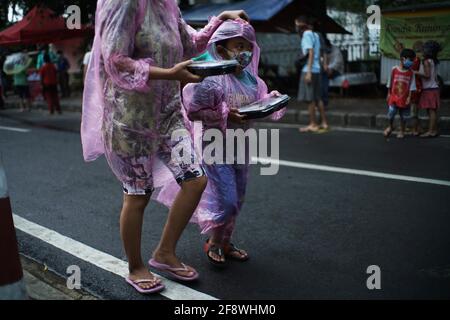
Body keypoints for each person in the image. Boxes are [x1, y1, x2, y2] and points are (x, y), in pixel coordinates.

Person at [81, 0, 249, 294]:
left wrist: (220, 18)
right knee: (137, 195)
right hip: (129, 120)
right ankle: (135, 266)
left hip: (168, 116)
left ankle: (164, 253)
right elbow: (115, 60)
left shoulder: (169, 5)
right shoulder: (125, 3)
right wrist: (171, 74)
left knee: (195, 180)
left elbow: (191, 44)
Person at [157, 19, 285, 266]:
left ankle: (225, 241)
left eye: (248, 46)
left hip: (241, 147)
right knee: (226, 201)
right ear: (222, 47)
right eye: (238, 45)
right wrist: (226, 113)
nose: (244, 52)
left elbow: (262, 105)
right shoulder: (211, 79)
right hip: (213, 148)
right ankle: (214, 242)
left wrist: (272, 100)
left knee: (237, 200)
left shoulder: (253, 81)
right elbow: (193, 110)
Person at [296, 16, 328, 133]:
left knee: (310, 99)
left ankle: (313, 124)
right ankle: (324, 122)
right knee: (317, 98)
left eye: (297, 24)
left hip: (308, 69)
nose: (296, 26)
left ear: (301, 24)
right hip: (317, 69)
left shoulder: (307, 34)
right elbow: (318, 52)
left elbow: (311, 52)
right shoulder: (315, 35)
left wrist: (308, 72)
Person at [384, 49, 417, 139]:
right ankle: (390, 126)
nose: (412, 63)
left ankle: (402, 130)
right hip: (394, 97)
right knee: (391, 113)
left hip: (405, 98)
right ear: (403, 59)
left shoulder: (411, 73)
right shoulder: (394, 69)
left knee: (404, 116)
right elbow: (389, 82)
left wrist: (409, 97)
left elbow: (412, 85)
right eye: (411, 60)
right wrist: (388, 94)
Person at [416, 40, 441, 138]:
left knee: (431, 111)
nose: (422, 50)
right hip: (433, 88)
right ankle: (434, 130)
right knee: (432, 111)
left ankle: (430, 131)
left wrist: (415, 72)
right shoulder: (433, 61)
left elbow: (427, 75)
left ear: (428, 51)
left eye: (424, 49)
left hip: (429, 89)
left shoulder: (426, 61)